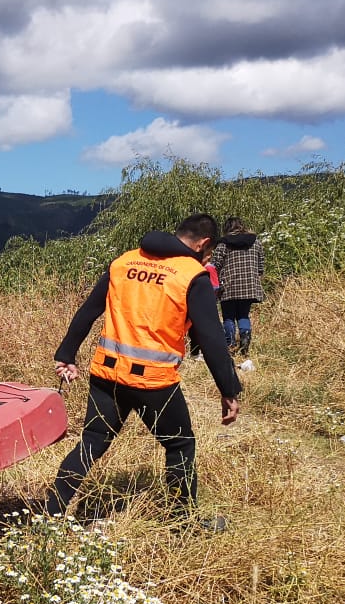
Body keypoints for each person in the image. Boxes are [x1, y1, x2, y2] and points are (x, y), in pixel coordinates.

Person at [47, 213, 241, 527]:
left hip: (106, 373)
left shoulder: (124, 262)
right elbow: (212, 339)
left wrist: (66, 353)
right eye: (209, 253)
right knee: (180, 444)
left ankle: (51, 514)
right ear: (205, 244)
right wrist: (229, 389)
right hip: (153, 381)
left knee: (92, 441)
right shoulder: (192, 274)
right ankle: (183, 523)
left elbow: (89, 310)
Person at [211, 216, 265, 356]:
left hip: (228, 286)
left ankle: (230, 345)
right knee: (243, 315)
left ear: (227, 229)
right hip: (249, 286)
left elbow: (215, 265)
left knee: (228, 317)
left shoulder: (223, 244)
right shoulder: (255, 242)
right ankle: (245, 340)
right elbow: (261, 266)